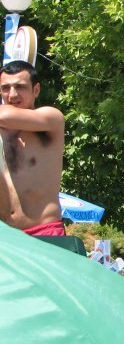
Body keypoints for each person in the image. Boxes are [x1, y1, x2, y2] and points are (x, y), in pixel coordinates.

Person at [0, 60, 66, 235]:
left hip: (44, 232)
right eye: (5, 88)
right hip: (6, 238)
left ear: (36, 90)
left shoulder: (51, 118)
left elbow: (4, 115)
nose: (12, 94)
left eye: (20, 87)